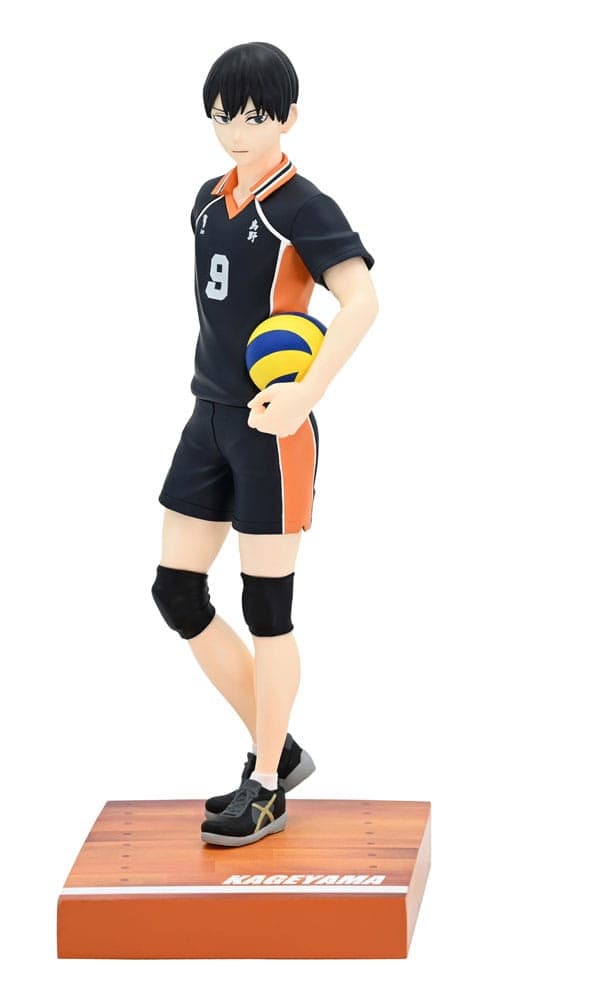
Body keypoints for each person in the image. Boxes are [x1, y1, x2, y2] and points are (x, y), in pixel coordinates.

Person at [151, 41, 378, 847]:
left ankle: (267, 784)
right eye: (223, 114)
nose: (235, 130)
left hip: (270, 430)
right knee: (177, 593)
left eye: (252, 116)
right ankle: (278, 750)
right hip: (206, 417)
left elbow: (361, 300)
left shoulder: (302, 207)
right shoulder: (207, 200)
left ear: (287, 118)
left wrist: (305, 393)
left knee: (266, 611)